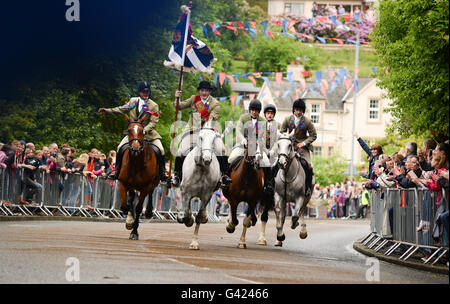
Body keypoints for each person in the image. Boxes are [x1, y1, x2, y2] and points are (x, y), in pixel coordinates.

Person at [98, 81, 168, 182]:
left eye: (147, 92)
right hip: (133, 133)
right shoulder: (133, 101)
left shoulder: (153, 105)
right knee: (119, 147)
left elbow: (154, 121)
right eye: (143, 92)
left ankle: (162, 173)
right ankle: (116, 171)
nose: (145, 93)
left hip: (148, 134)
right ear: (139, 92)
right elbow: (122, 109)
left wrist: (145, 130)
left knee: (161, 150)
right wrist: (108, 111)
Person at [171, 81, 231, 188]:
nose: (204, 92)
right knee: (181, 150)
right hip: (192, 130)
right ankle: (177, 175)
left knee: (221, 149)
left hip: (208, 130)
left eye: (206, 90)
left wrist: (205, 129)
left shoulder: (215, 104)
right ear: (199, 91)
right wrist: (177, 98)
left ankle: (224, 175)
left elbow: (212, 119)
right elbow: (179, 107)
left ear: (209, 92)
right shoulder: (194, 99)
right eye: (202, 90)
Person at [227, 99, 272, 193]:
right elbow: (238, 130)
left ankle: (268, 184)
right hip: (243, 145)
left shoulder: (263, 121)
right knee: (231, 158)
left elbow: (263, 136)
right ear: (250, 110)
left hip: (257, 147)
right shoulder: (243, 118)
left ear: (259, 111)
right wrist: (243, 139)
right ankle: (226, 179)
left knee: (267, 162)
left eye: (256, 111)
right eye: (252, 110)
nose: (254, 112)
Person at [280, 98, 317, 196]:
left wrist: (304, 143)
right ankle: (276, 186)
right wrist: (288, 140)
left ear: (303, 111)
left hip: (302, 148)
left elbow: (314, 135)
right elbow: (282, 132)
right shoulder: (288, 119)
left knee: (308, 165)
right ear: (294, 110)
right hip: (289, 146)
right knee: (279, 161)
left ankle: (308, 187)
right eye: (296, 110)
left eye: (300, 110)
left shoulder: (307, 121)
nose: (298, 112)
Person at [263, 103, 280, 193]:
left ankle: (274, 185)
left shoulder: (278, 125)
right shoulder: (261, 124)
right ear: (265, 114)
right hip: (264, 151)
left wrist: (273, 150)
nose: (270, 115)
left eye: (271, 113)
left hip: (274, 152)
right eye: (268, 113)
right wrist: (266, 151)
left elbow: (278, 140)